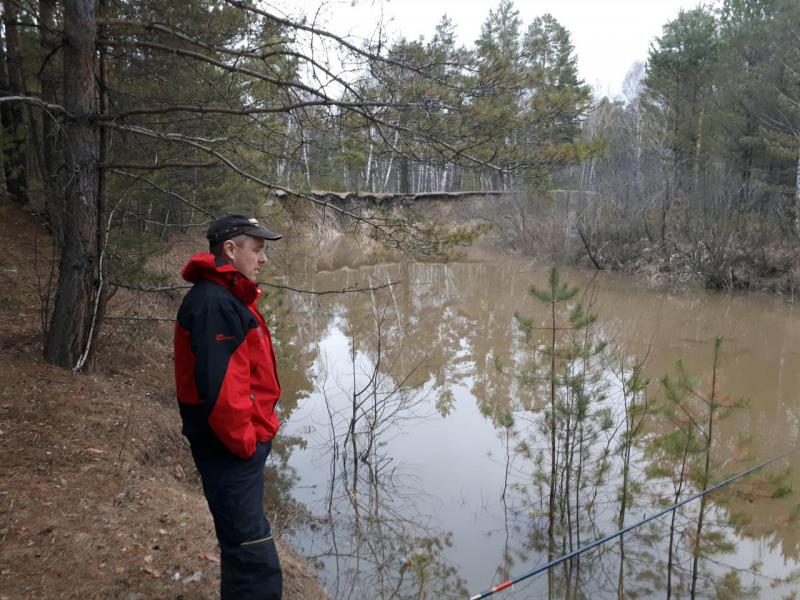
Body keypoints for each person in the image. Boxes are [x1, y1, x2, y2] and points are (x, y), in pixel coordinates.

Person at [174, 213, 284, 599]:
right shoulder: (214, 304)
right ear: (231, 249)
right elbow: (223, 393)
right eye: (258, 249)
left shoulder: (225, 297)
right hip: (229, 450)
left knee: (242, 546)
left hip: (234, 447)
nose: (264, 259)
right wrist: (248, 443)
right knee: (254, 555)